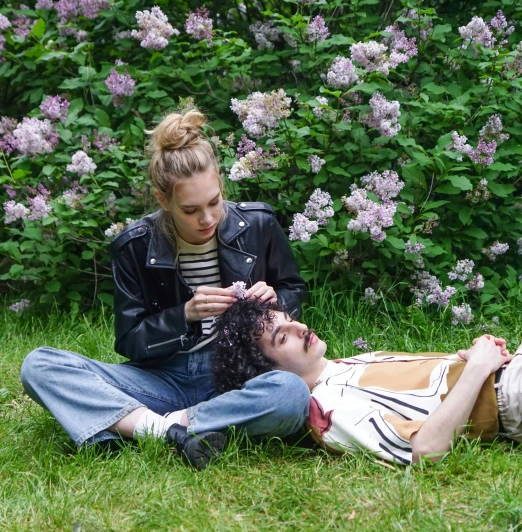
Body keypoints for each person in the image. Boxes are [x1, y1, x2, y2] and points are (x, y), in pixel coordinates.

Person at [20, 109, 310, 469]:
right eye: (190, 210)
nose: (207, 219)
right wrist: (184, 315)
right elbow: (131, 343)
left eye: (214, 202)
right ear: (162, 199)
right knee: (39, 365)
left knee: (290, 394)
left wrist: (276, 299)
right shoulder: (134, 246)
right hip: (162, 378)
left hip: (236, 378)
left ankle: (147, 426)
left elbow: (294, 289)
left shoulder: (258, 224)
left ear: (221, 185)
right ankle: (177, 429)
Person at [213, 299, 520, 465]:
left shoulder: (344, 366)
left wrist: (475, 355)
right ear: (270, 375)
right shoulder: (328, 408)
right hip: (509, 395)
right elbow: (426, 449)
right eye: (283, 337)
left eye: (290, 320)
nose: (301, 328)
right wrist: (478, 369)